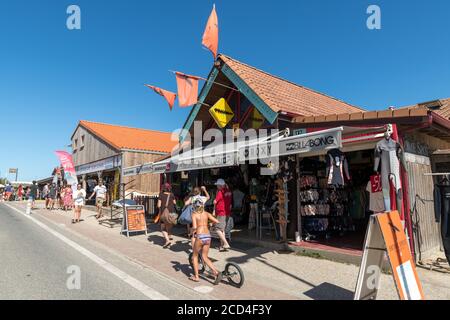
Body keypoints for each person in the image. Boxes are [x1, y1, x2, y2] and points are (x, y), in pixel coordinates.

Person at [190, 198, 223, 284]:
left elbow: (194, 227)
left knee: (195, 256)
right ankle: (216, 272)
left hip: (200, 236)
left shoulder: (194, 214)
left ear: (194, 206)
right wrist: (209, 224)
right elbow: (217, 221)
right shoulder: (206, 213)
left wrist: (191, 232)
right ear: (202, 205)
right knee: (205, 256)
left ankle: (196, 276)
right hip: (208, 236)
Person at [213, 179, 232, 251]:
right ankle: (222, 245)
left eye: (217, 185)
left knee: (217, 229)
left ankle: (226, 243)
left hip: (221, 212)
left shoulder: (220, 192)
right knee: (222, 229)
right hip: (227, 212)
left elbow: (215, 201)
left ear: (220, 185)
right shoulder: (229, 191)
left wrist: (214, 203)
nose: (217, 186)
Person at [156, 183, 177, 248]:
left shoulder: (161, 195)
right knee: (169, 224)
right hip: (172, 213)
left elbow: (159, 205)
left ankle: (167, 240)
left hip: (164, 214)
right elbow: (175, 203)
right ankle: (169, 236)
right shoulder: (172, 194)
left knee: (163, 228)